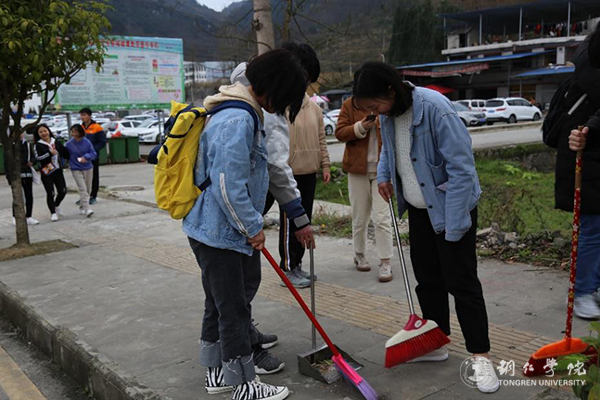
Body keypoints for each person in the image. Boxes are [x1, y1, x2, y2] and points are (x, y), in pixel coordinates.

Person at [353, 62, 499, 393]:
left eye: (375, 106)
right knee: (429, 280)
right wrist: (386, 176)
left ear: (391, 91)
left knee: (461, 282)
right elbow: (389, 149)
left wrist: (454, 227)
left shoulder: (436, 109)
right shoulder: (389, 115)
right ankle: (436, 342)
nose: (375, 114)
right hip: (420, 210)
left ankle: (481, 355)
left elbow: (462, 170)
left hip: (452, 208)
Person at [183, 49, 307, 400]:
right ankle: (243, 385)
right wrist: (253, 227)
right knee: (234, 308)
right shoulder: (238, 119)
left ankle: (216, 375)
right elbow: (227, 184)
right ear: (272, 87)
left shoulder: (241, 111)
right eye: (286, 98)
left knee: (219, 304)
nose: (283, 107)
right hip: (221, 233)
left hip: (217, 230)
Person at [228, 41, 320, 372]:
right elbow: (276, 165)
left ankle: (242, 337)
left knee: (236, 285)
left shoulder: (246, 83)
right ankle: (242, 354)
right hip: (231, 215)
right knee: (235, 287)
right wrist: (295, 218)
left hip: (235, 212)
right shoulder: (256, 108)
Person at [556, 23, 600, 319]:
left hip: (590, 150)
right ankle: (583, 290)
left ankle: (591, 287)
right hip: (588, 155)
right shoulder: (590, 71)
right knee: (592, 229)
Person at [275, 92, 331, 288]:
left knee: (304, 221)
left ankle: (297, 264)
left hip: (309, 172)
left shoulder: (315, 109)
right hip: (289, 173)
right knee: (290, 223)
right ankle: (287, 268)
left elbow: (322, 139)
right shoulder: (281, 108)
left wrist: (325, 165)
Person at [335, 97, 394, 282]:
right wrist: (360, 127)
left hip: (382, 171)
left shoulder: (386, 103)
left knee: (382, 218)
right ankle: (359, 254)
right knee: (360, 217)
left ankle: (386, 261)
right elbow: (339, 132)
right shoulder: (350, 104)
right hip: (356, 169)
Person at [33, 124, 69, 222]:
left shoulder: (55, 142)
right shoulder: (38, 145)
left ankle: (56, 205)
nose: (43, 133)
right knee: (51, 192)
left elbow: (65, 153)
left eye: (45, 131)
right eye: (41, 132)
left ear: (48, 131)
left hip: (58, 170)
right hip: (47, 171)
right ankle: (53, 213)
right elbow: (37, 158)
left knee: (63, 191)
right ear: (38, 134)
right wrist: (49, 154)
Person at [6, 133, 38, 225]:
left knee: (29, 196)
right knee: (18, 196)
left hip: (27, 173)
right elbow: (7, 162)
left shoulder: (27, 144)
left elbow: (34, 157)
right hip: (16, 174)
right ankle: (15, 216)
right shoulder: (10, 146)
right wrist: (9, 177)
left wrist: (32, 162)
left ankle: (29, 216)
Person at [65, 124, 97, 217]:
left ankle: (82, 207)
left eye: (76, 131)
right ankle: (87, 208)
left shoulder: (87, 142)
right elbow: (65, 155)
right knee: (82, 188)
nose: (74, 133)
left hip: (87, 167)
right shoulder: (69, 144)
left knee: (88, 189)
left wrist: (86, 157)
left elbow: (93, 153)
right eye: (72, 131)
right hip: (76, 168)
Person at [79, 108, 106, 205]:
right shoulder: (80, 128)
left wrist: (93, 150)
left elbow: (102, 142)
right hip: (82, 157)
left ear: (89, 116)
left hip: (93, 156)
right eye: (81, 115)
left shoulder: (97, 127)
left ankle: (93, 196)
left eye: (84, 115)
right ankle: (84, 196)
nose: (82, 117)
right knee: (82, 177)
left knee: (93, 176)